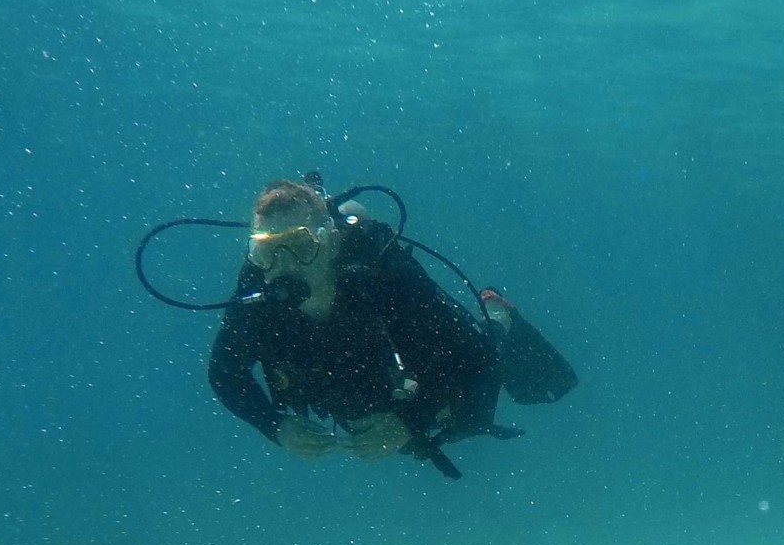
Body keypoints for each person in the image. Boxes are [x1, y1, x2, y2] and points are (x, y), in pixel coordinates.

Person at [206, 177, 575, 477]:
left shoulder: (383, 276)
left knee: (471, 419)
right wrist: (275, 426)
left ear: (332, 242)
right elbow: (224, 372)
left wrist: (407, 423)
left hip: (426, 374)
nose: (284, 264)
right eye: (268, 249)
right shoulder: (255, 294)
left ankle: (497, 317)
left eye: (301, 245)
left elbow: (474, 363)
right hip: (357, 393)